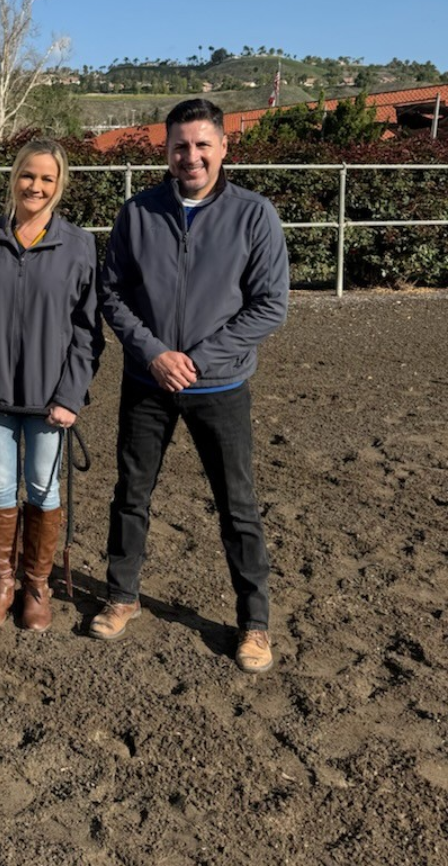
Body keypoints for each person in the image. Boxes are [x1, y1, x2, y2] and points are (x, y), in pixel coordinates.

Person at [91, 98, 289, 673]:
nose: (192, 156)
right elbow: (113, 294)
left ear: (224, 147)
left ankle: (254, 622)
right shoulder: (137, 213)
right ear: (167, 149)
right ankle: (122, 595)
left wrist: (196, 361)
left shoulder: (255, 216)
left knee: (238, 504)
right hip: (148, 381)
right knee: (131, 493)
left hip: (219, 386)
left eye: (203, 145)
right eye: (181, 145)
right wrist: (154, 354)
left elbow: (270, 305)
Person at [0, 139, 104, 632]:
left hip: (48, 402)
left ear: (59, 187)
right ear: (14, 178)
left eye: (47, 179)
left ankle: (37, 584)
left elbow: (88, 330)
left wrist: (70, 396)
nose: (35, 186)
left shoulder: (79, 245)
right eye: (28, 176)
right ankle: (2, 581)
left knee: (42, 488)